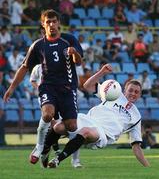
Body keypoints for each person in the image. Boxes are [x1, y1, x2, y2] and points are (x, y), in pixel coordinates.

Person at [3, 9, 83, 164]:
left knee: (72, 125)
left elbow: (79, 62)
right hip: (48, 87)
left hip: (67, 88)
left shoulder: (69, 39)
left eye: (54, 21)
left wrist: (74, 53)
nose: (51, 25)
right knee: (47, 114)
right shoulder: (38, 45)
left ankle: (75, 160)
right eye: (48, 22)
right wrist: (11, 88)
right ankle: (39, 146)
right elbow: (24, 67)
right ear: (43, 24)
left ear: (59, 22)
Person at [47, 64, 150, 168]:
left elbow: (136, 145)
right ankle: (44, 151)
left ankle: (57, 160)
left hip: (103, 132)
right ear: (124, 90)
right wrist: (102, 72)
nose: (133, 93)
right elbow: (87, 86)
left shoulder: (136, 116)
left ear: (140, 95)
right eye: (130, 90)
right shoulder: (114, 93)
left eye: (136, 92)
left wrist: (148, 167)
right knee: (58, 127)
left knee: (85, 131)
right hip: (89, 119)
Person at [30, 64, 82, 168]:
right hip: (47, 96)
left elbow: (76, 81)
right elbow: (32, 80)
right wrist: (39, 88)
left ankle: (75, 160)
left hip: (64, 96)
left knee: (72, 126)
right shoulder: (37, 67)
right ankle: (49, 149)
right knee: (53, 123)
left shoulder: (64, 65)